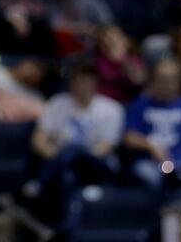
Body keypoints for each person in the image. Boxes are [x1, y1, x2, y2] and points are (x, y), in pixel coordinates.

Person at [23, 61, 123, 221]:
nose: (82, 83)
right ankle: (66, 228)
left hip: (96, 164)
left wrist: (73, 155)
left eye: (86, 78)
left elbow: (106, 147)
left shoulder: (111, 109)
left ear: (96, 81)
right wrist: (59, 158)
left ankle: (38, 184)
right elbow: (38, 140)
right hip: (62, 164)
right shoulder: (57, 103)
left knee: (74, 149)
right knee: (68, 176)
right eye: (78, 78)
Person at [122, 58, 181, 190]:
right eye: (162, 79)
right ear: (153, 80)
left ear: (180, 82)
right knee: (146, 173)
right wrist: (151, 145)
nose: (167, 84)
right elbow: (129, 137)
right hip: (151, 165)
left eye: (172, 79)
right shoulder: (140, 104)